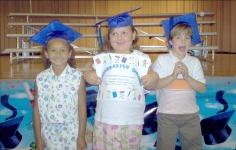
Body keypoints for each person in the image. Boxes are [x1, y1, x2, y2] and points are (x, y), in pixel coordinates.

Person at [83, 7, 159, 150]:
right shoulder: (103, 59)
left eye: (124, 32)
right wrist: (88, 75)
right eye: (114, 34)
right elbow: (89, 74)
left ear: (134, 35)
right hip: (105, 118)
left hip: (131, 120)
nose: (119, 37)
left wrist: (153, 77)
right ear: (109, 38)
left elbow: (151, 84)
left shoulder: (141, 58)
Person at [152, 13, 206, 150]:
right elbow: (154, 85)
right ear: (170, 41)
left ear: (191, 42)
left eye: (187, 38)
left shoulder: (194, 62)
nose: (183, 41)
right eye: (178, 37)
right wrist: (172, 76)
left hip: (190, 116)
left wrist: (187, 77)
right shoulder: (162, 60)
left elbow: (202, 88)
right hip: (167, 115)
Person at [30, 20, 87, 150]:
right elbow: (37, 109)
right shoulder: (40, 79)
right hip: (49, 133)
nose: (58, 54)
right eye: (53, 50)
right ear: (46, 53)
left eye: (62, 50)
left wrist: (81, 136)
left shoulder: (77, 78)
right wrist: (38, 137)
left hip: (72, 132)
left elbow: (82, 108)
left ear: (69, 53)